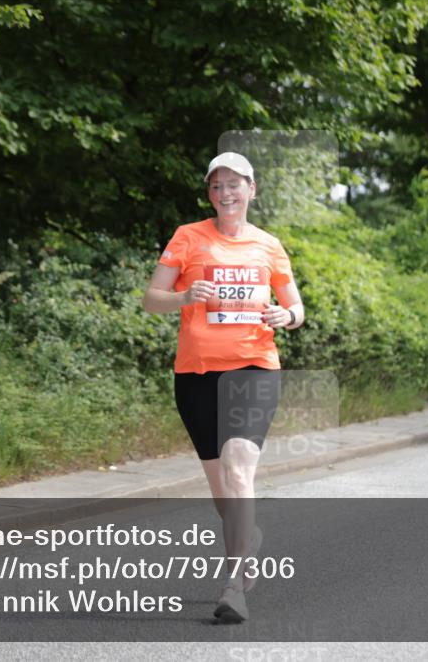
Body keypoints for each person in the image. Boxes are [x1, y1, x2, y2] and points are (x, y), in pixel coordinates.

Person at [142, 152, 304, 622]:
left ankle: (235, 584)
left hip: (253, 368)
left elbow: (296, 306)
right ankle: (245, 540)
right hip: (195, 375)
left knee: (238, 469)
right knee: (221, 489)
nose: (225, 194)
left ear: (252, 190)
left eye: (234, 185)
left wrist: (286, 315)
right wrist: (185, 296)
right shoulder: (188, 237)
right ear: (209, 194)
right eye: (216, 186)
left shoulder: (269, 246)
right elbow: (152, 300)